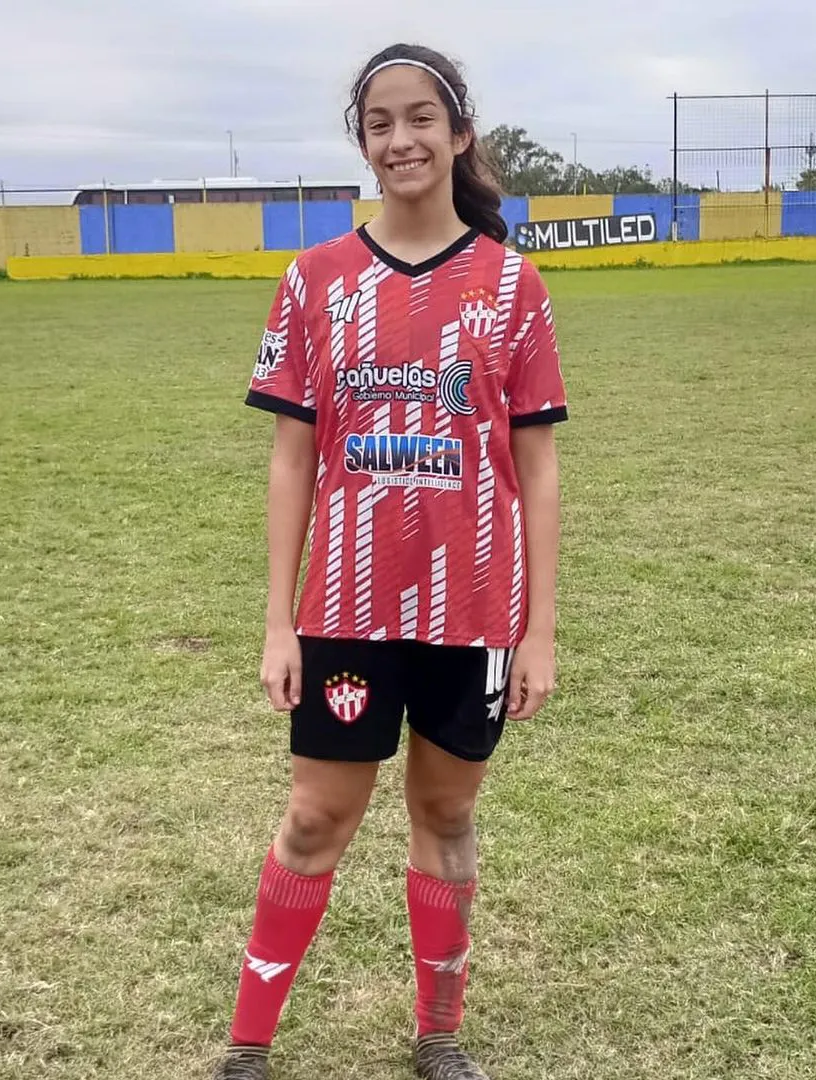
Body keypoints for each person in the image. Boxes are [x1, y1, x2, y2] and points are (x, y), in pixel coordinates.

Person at [212, 42, 568, 1080]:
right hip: (347, 612)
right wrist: (280, 619)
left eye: (422, 119)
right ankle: (247, 1046)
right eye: (379, 123)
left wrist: (538, 630)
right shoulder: (315, 279)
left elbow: (537, 469)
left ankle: (440, 1035)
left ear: (461, 136)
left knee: (446, 814)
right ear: (361, 143)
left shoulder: (513, 285)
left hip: (475, 613)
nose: (400, 139)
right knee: (316, 818)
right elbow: (294, 460)